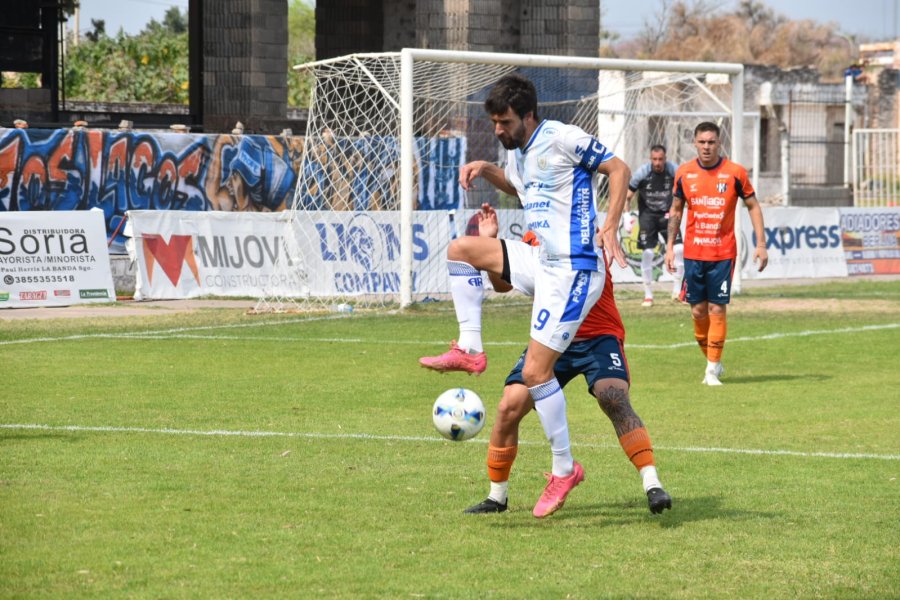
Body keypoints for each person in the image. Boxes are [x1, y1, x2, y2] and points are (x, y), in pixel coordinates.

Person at [419, 73, 630, 517]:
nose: (499, 129)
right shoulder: (520, 151)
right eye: (495, 122)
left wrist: (609, 223)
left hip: (574, 267)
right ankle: (470, 348)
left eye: (505, 122)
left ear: (528, 115)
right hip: (544, 261)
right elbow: (519, 187)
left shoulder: (562, 138)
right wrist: (486, 168)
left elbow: (618, 168)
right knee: (462, 249)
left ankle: (564, 468)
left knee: (536, 373)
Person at [460, 206, 671, 516]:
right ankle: (496, 497)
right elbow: (502, 286)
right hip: (551, 339)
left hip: (598, 336)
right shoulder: (532, 241)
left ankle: (653, 484)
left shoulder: (589, 234)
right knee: (509, 405)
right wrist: (491, 242)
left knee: (612, 397)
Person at [665, 122, 768, 386]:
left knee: (716, 308)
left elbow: (753, 206)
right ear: (695, 143)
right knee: (698, 312)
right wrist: (669, 247)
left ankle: (710, 371)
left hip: (723, 253)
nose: (707, 147)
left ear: (718, 143)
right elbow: (676, 210)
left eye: (711, 142)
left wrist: (761, 244)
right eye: (702, 142)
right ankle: (714, 360)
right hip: (693, 253)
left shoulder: (735, 173)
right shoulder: (684, 173)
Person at [625, 145, 684, 307]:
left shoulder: (674, 171)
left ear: (665, 159)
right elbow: (627, 197)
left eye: (661, 159)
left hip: (668, 216)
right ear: (650, 159)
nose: (658, 163)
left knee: (679, 250)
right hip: (648, 217)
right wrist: (626, 216)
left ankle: (677, 291)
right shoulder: (642, 173)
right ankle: (648, 295)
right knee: (648, 254)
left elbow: (686, 191)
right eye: (655, 159)